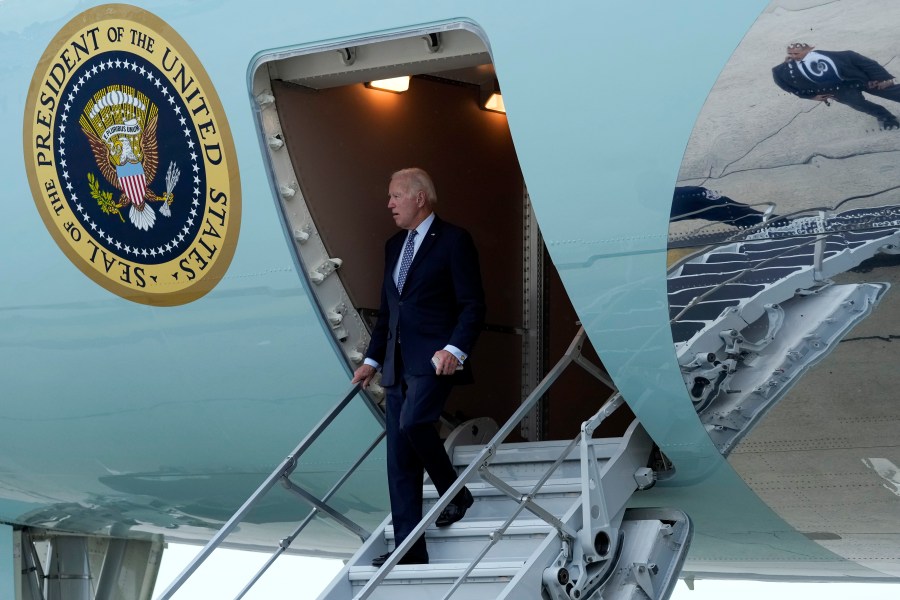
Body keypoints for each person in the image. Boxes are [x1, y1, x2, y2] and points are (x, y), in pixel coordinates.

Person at [352, 168, 485, 567]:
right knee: (399, 461)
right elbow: (390, 310)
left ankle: (455, 494)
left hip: (434, 361)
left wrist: (455, 349)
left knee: (414, 425)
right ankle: (410, 551)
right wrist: (371, 360)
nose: (389, 203)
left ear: (419, 198)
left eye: (395, 196)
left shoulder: (454, 241)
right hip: (395, 363)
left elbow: (473, 305)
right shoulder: (394, 245)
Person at [772, 42, 900, 129]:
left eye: (797, 53)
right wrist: (811, 96)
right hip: (839, 91)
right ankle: (886, 117)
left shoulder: (840, 56)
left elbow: (867, 64)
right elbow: (789, 87)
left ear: (809, 49)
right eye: (791, 54)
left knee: (892, 92)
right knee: (861, 105)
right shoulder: (780, 72)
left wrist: (883, 79)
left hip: (862, 80)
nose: (794, 57)